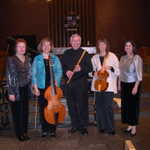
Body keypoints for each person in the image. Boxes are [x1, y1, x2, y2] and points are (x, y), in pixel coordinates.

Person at [61, 34, 92, 135]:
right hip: (69, 84)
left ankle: (83, 126)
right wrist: (66, 72)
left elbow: (90, 68)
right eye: (74, 41)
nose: (76, 42)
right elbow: (63, 66)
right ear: (70, 42)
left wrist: (81, 68)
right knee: (71, 106)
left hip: (81, 84)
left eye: (78, 40)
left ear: (80, 41)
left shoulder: (85, 53)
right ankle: (74, 125)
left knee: (82, 106)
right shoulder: (66, 53)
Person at [32, 37, 62, 137]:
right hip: (41, 87)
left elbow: (59, 71)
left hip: (53, 88)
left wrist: (56, 83)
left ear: (51, 46)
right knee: (43, 108)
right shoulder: (37, 58)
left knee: (54, 108)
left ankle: (53, 129)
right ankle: (44, 129)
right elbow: (34, 73)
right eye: (44, 45)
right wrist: (35, 87)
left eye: (48, 45)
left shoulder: (55, 58)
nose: (46, 47)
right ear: (41, 46)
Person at [90, 38, 119, 135]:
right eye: (100, 44)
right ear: (98, 46)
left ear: (106, 45)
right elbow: (90, 72)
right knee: (99, 107)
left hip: (109, 86)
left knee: (108, 107)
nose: (102, 46)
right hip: (98, 85)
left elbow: (118, 71)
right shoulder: (94, 57)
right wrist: (94, 73)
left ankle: (110, 128)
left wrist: (111, 68)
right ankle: (101, 127)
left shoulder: (112, 56)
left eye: (104, 44)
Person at [6, 39, 31, 141]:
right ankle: (19, 133)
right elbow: (10, 77)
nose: (22, 48)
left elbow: (30, 74)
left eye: (23, 47)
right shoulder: (11, 59)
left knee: (25, 112)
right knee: (17, 112)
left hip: (26, 89)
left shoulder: (27, 59)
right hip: (16, 89)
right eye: (19, 46)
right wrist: (11, 92)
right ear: (15, 48)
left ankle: (24, 132)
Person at [119, 41, 143, 136]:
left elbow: (139, 74)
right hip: (124, 84)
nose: (128, 47)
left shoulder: (136, 58)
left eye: (130, 46)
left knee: (133, 107)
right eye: (126, 46)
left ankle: (134, 127)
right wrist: (118, 84)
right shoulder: (122, 58)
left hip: (133, 84)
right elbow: (120, 73)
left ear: (133, 47)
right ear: (124, 48)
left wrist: (136, 87)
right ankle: (129, 125)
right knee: (126, 106)